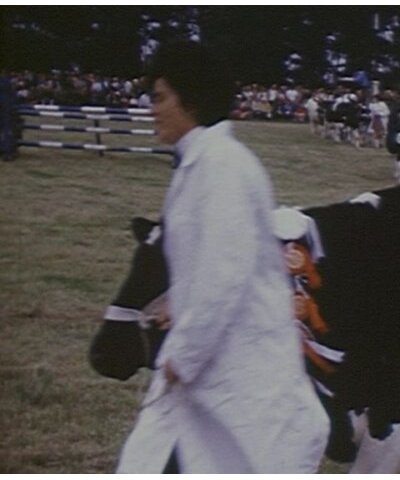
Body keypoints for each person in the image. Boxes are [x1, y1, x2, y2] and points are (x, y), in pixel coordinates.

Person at [116, 41, 329, 474]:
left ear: (191, 101)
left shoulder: (222, 167)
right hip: (217, 364)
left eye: (160, 98)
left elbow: (225, 274)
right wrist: (179, 302)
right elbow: (215, 261)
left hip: (240, 371)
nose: (152, 109)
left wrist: (183, 356)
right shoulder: (204, 163)